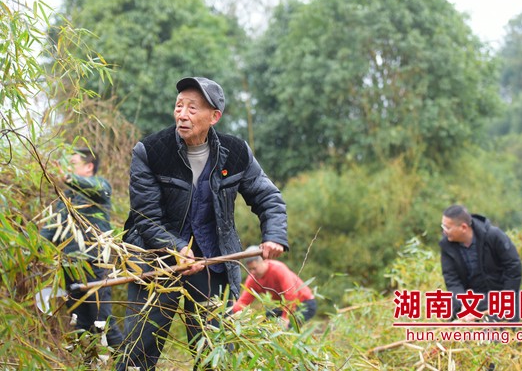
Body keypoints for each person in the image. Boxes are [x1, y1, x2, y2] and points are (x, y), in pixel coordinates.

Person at [117, 77, 288, 371]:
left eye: (192, 108)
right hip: (157, 261)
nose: (182, 114)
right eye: (179, 106)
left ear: (214, 116)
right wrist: (178, 248)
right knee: (139, 350)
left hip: (214, 263)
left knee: (215, 351)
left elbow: (268, 196)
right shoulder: (150, 151)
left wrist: (273, 235)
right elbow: (145, 217)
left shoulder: (236, 152)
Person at [40, 147, 124, 348]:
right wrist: (35, 250)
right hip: (70, 267)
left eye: (72, 164)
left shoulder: (100, 187)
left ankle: (128, 363)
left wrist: (67, 177)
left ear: (89, 166)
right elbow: (51, 228)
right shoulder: (66, 197)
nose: (68, 169)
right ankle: (90, 363)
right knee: (80, 322)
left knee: (102, 320)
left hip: (95, 264)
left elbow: (91, 186)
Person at [439, 205, 522, 322]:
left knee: (500, 334)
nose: (444, 231)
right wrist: (463, 305)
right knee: (455, 331)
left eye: (447, 228)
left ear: (463, 227)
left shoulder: (493, 236)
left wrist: (503, 301)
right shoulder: (447, 245)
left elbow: (514, 268)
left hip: (500, 296)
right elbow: (452, 280)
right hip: (472, 299)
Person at [232, 246, 316, 328]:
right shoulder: (253, 279)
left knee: (288, 328)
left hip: (303, 303)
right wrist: (230, 313)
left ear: (263, 261)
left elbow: (291, 294)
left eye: (254, 268)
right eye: (250, 269)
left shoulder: (278, 269)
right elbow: (243, 302)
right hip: (284, 305)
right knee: (266, 322)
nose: (252, 272)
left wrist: (285, 318)